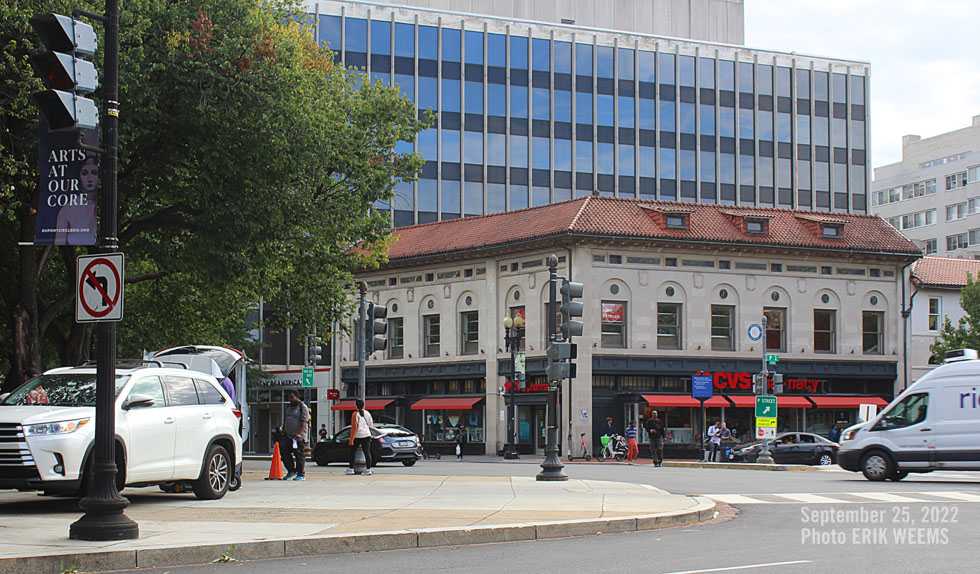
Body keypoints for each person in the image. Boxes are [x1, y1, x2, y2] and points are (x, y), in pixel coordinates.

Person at [280, 390, 310, 481]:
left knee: (299, 454)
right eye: (289, 397)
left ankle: (301, 473)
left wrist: (300, 433)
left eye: (292, 397)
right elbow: (286, 419)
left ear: (297, 396)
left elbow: (304, 421)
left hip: (298, 437)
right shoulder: (289, 407)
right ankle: (291, 470)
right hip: (288, 435)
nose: (290, 399)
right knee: (284, 452)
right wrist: (284, 429)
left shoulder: (302, 407)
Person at [347, 398, 374, 475]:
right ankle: (368, 469)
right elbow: (370, 424)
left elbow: (354, 428)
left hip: (357, 436)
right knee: (367, 452)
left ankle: (351, 468)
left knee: (352, 452)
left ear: (356, 406)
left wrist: (351, 439)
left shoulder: (355, 414)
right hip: (367, 434)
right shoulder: (367, 413)